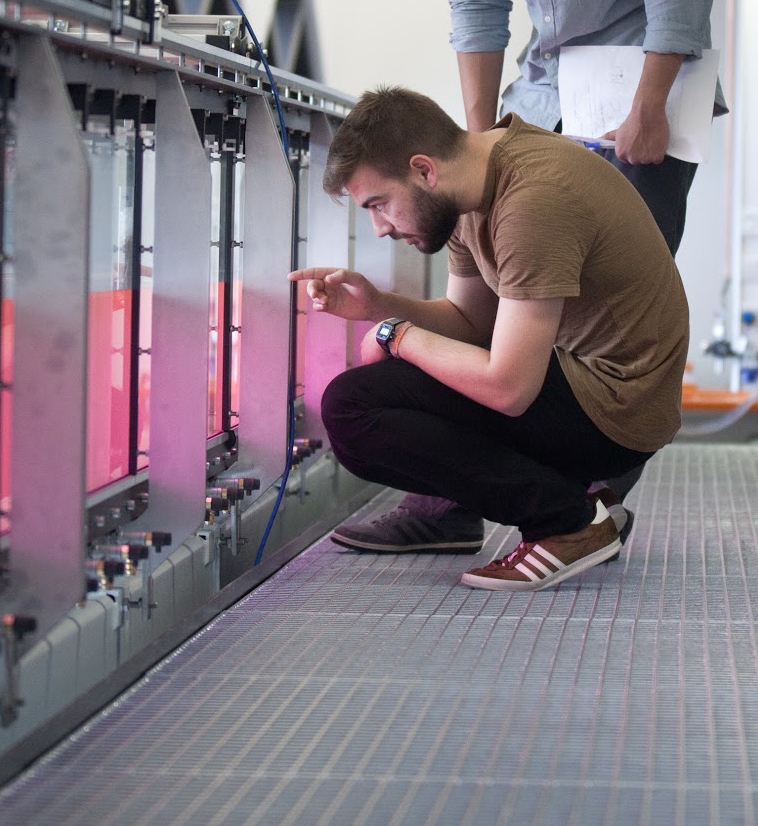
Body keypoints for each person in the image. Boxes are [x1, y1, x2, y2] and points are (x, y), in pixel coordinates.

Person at [330, 0, 716, 555]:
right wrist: (474, 131)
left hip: (641, 96)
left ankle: (580, 513)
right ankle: (454, 500)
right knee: (492, 303)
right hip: (539, 100)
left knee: (604, 323)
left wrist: (650, 102)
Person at [293, 87, 687, 592]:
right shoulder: (470, 189)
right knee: (380, 387)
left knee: (354, 407)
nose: (379, 229)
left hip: (618, 410)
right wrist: (380, 308)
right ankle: (577, 501)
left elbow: (508, 388)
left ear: (423, 170)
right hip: (586, 385)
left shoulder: (533, 199)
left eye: (380, 204)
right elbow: (469, 322)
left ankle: (566, 523)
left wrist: (396, 336)